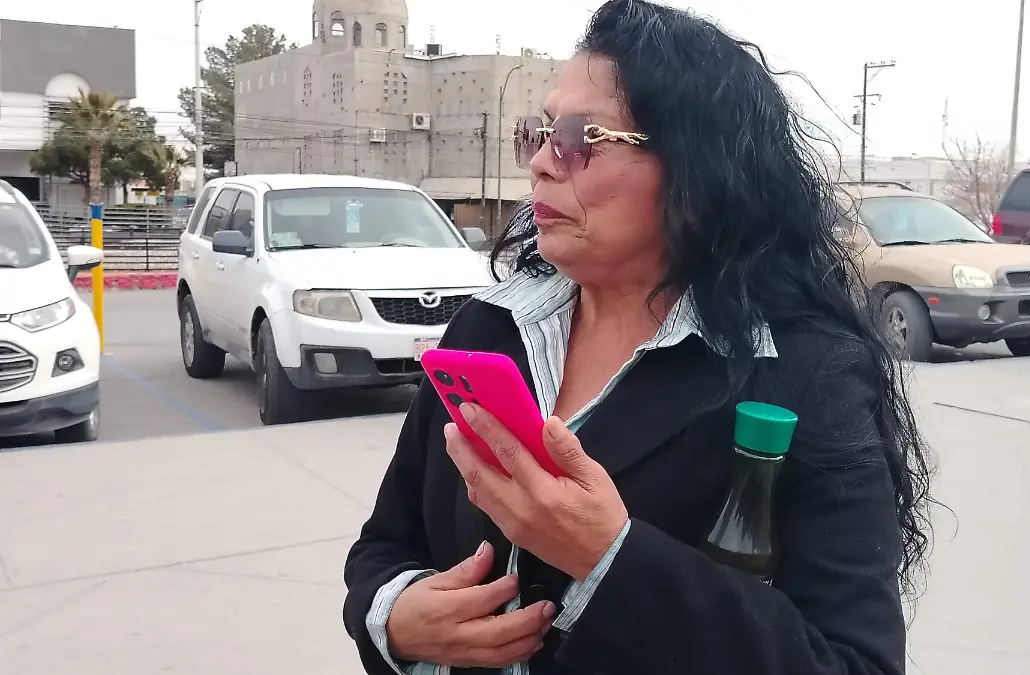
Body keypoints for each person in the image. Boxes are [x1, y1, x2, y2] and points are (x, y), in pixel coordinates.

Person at [343, 1, 933, 674]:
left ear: (695, 170)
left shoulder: (803, 373)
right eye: (537, 133)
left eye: (578, 138)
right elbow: (385, 543)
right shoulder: (490, 327)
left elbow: (856, 661)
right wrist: (395, 617)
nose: (541, 164)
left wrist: (610, 560)